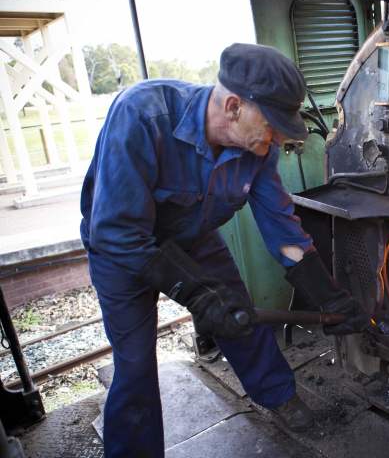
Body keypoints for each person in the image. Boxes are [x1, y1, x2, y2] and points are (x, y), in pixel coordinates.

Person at [80, 43, 368, 458]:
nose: (274, 140)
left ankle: (278, 396)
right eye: (270, 125)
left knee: (239, 317)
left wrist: (328, 295)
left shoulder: (256, 150)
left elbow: (281, 226)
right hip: (122, 249)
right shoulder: (144, 113)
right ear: (233, 106)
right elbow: (117, 232)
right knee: (136, 364)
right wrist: (197, 294)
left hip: (192, 237)